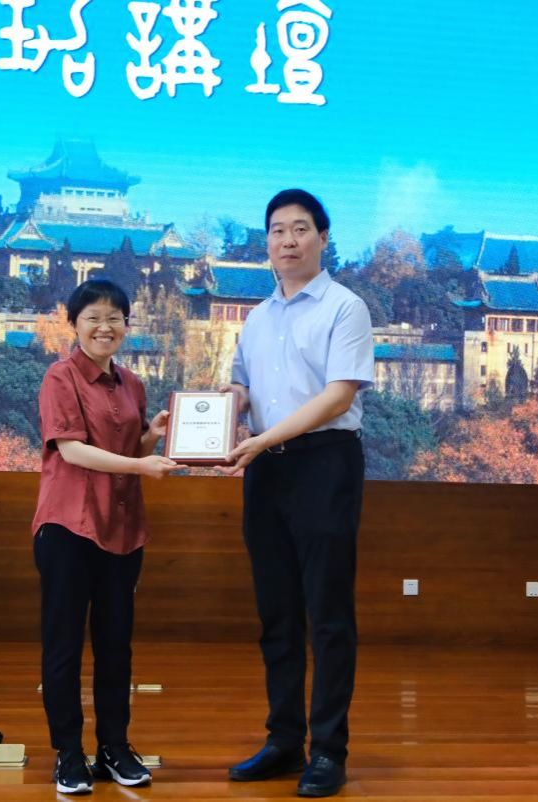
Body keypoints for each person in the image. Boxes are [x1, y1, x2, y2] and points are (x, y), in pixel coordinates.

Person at [221, 189, 374, 797]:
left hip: (324, 464)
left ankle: (328, 751)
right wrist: (214, 413)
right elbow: (242, 388)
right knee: (277, 612)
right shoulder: (257, 317)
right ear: (267, 242)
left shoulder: (345, 307)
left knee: (328, 615)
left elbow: (338, 397)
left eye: (301, 229)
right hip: (266, 470)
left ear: (323, 238)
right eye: (278, 230)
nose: (288, 240)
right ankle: (284, 740)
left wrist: (262, 439)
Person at [31, 279, 180, 795]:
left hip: (122, 529)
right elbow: (72, 450)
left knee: (117, 645)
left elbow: (128, 449)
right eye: (93, 317)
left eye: (115, 318)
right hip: (68, 527)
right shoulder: (60, 376)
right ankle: (69, 753)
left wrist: (153, 436)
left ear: (126, 326)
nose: (104, 327)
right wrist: (141, 465)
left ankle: (114, 746)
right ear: (74, 324)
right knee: (64, 644)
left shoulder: (132, 384)